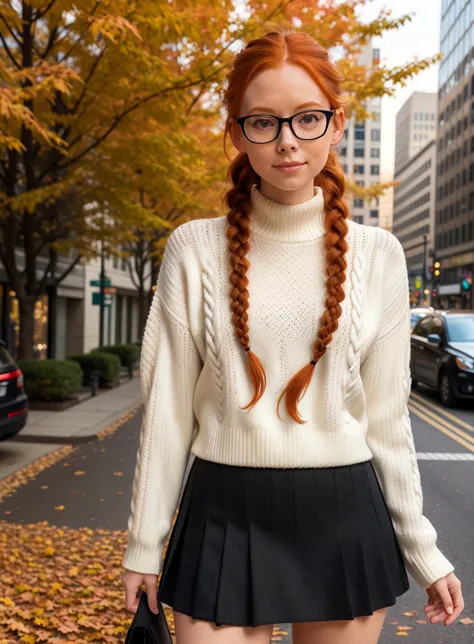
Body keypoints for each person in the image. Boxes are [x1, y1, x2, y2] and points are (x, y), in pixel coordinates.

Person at [122, 29, 464, 644]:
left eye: (307, 119)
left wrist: (425, 549)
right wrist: (144, 543)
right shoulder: (194, 249)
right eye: (262, 121)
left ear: (336, 125)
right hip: (222, 508)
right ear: (235, 131)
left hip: (344, 512)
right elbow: (167, 413)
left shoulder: (378, 255)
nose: (286, 141)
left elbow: (388, 420)